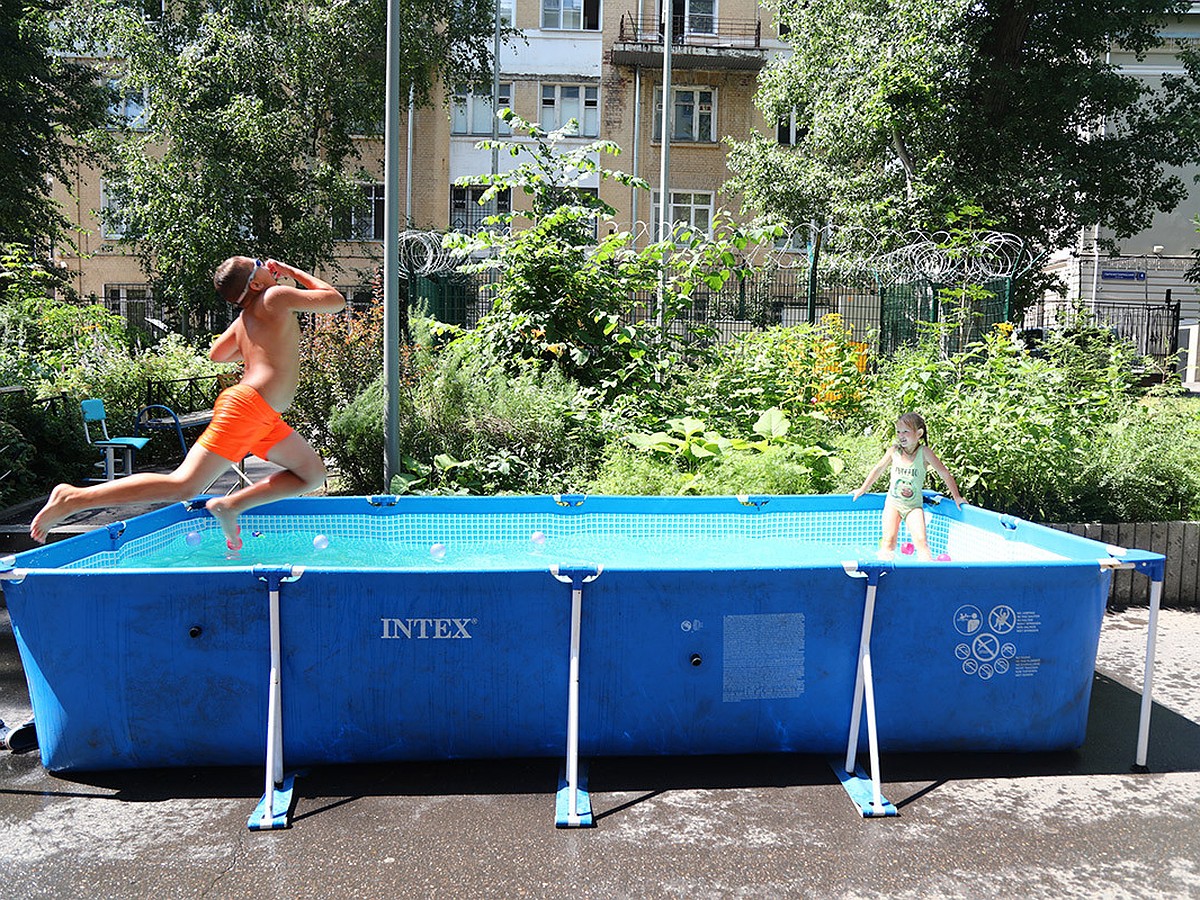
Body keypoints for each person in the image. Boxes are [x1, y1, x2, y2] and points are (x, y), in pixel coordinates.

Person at [30, 256, 346, 547]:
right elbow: (335, 300)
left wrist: (252, 329)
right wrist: (290, 273)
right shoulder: (275, 297)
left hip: (262, 416)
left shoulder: (248, 317)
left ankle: (231, 504)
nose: (269, 265)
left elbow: (217, 354)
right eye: (260, 263)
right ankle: (73, 498)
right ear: (256, 283)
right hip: (249, 407)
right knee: (184, 485)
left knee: (312, 475)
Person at [851, 412, 964, 561]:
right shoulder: (894, 451)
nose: (901, 435)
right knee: (888, 541)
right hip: (893, 504)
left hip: (914, 506)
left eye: (905, 432)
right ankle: (884, 574)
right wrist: (863, 489)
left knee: (921, 542)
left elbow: (944, 473)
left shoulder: (925, 453)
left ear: (919, 434)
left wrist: (956, 496)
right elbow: (878, 469)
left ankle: (926, 573)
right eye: (898, 432)